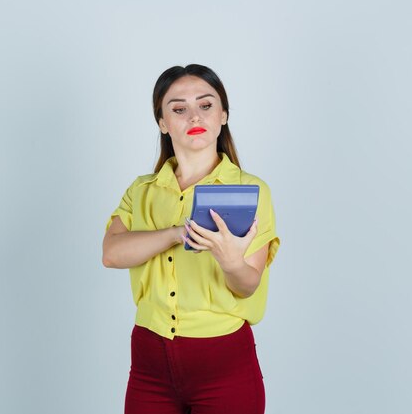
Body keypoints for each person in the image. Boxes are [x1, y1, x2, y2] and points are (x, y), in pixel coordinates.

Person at [102, 64, 280, 414]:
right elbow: (111, 253)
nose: (193, 116)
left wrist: (230, 261)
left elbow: (248, 285)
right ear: (163, 123)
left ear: (223, 115)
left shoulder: (250, 190)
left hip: (224, 363)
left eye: (206, 105)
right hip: (149, 362)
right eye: (179, 109)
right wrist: (173, 233)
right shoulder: (141, 191)